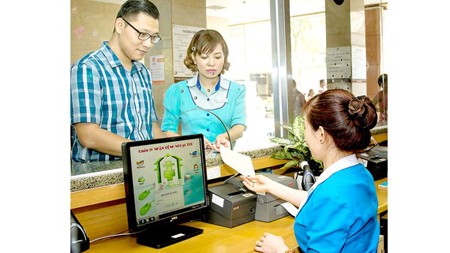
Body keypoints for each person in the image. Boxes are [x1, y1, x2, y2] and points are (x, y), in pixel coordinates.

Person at [241, 89, 380, 252]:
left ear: (321, 134)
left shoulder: (333, 194)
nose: (305, 137)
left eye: (306, 128)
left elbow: (328, 202)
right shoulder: (358, 173)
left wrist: (280, 250)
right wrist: (270, 186)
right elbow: (318, 202)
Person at [70, 0, 164, 162]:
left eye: (153, 37)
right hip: (104, 175)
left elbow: (150, 125)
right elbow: (88, 135)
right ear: (120, 25)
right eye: (142, 34)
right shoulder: (88, 68)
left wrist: (167, 149)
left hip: (143, 168)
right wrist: (143, 152)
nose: (148, 44)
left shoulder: (143, 73)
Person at [161, 29, 246, 151]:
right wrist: (192, 142)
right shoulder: (177, 91)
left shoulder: (236, 90)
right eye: (204, 57)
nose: (212, 63)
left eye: (217, 57)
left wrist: (225, 137)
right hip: (190, 160)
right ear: (194, 58)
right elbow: (168, 131)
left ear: (224, 58)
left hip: (225, 161)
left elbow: (239, 127)